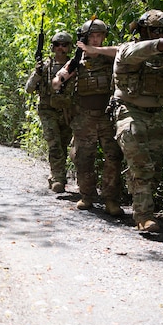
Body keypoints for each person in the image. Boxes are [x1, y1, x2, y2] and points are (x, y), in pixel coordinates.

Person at [111, 9, 163, 232]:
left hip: (156, 115)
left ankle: (140, 205)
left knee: (154, 168)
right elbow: (135, 53)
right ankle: (143, 216)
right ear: (143, 30)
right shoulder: (129, 48)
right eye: (156, 31)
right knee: (141, 166)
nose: (160, 34)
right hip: (130, 113)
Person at [51, 18, 124, 217]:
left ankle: (110, 199)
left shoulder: (112, 56)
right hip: (84, 117)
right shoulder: (78, 60)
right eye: (91, 36)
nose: (96, 39)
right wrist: (60, 79)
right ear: (85, 37)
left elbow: (124, 51)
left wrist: (97, 51)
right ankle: (87, 195)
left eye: (99, 35)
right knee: (83, 157)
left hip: (107, 116)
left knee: (113, 157)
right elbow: (59, 78)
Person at [24, 31, 74, 192]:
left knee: (63, 144)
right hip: (48, 111)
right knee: (54, 145)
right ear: (52, 47)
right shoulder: (44, 66)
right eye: (57, 45)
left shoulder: (74, 66)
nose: (61, 48)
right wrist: (37, 73)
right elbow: (29, 89)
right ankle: (59, 179)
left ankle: (55, 175)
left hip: (67, 111)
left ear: (69, 47)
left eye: (64, 45)